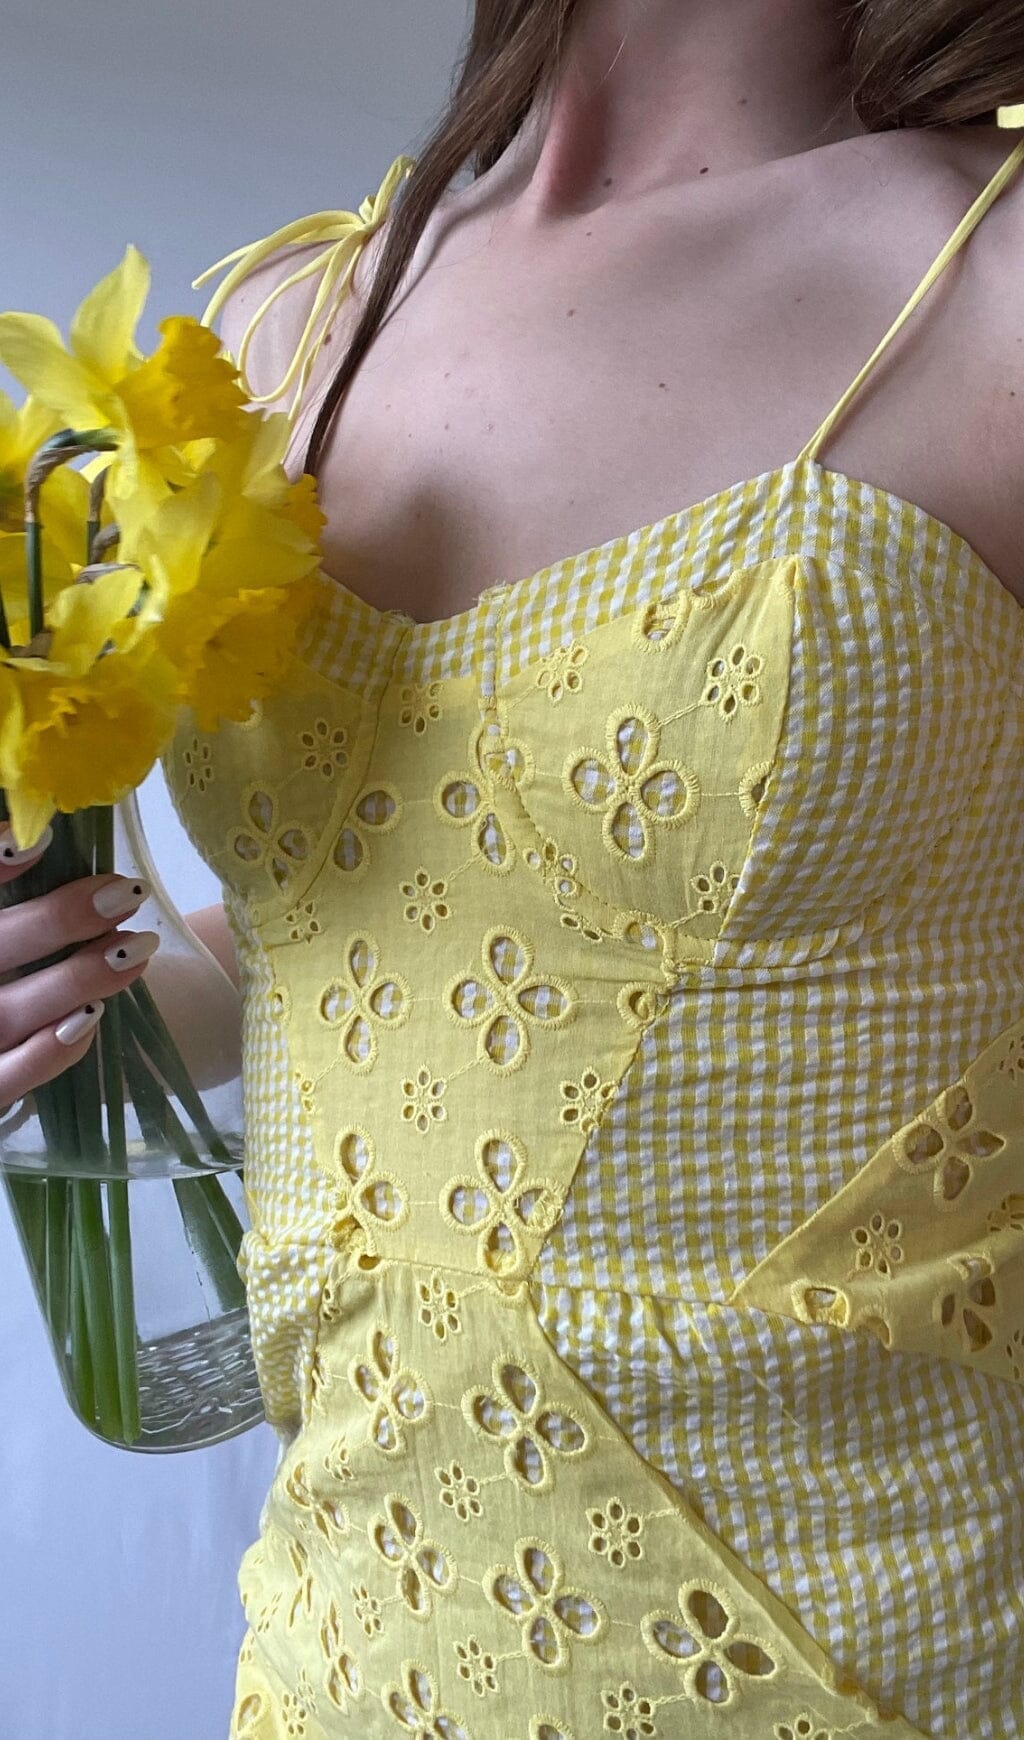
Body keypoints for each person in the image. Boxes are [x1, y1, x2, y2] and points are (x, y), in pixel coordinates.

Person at [4, 2, 1024, 1734]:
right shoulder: (272, 331)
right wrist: (67, 998)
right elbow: (331, 943)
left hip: (881, 1663)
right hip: (342, 1661)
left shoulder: (988, 285)